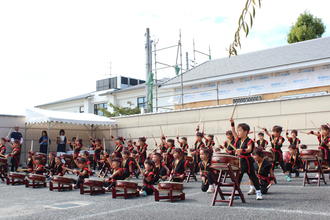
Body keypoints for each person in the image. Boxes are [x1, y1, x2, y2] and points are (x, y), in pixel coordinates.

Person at [230, 118, 263, 200]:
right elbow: (233, 132)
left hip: (247, 162)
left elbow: (249, 149)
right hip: (239, 161)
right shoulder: (238, 139)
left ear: (246, 131)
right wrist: (232, 123)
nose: (238, 132)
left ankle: (258, 193)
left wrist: (242, 150)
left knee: (253, 177)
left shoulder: (249, 141)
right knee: (238, 178)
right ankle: (236, 193)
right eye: (238, 130)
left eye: (240, 130)